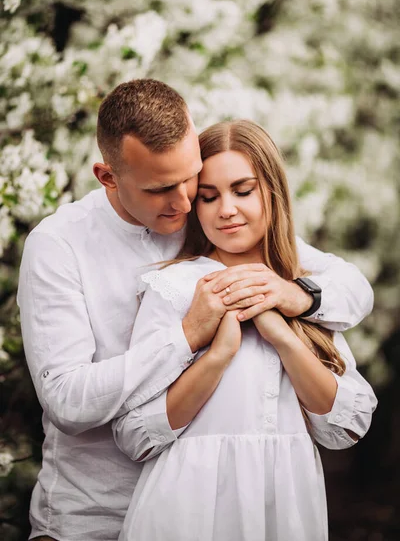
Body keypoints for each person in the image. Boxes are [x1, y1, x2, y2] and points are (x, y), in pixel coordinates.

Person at [17, 80, 374, 541]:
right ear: (108, 177)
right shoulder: (58, 245)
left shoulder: (212, 221)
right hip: (93, 516)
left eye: (191, 179)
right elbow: (67, 400)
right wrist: (187, 337)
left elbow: (349, 286)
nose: (185, 202)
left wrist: (298, 298)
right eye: (162, 188)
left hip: (218, 513)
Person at [114, 119, 377, 541]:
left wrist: (284, 337)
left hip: (284, 508)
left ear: (272, 190)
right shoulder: (175, 286)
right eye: (208, 196)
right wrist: (216, 357)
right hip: (185, 509)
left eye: (243, 190)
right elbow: (134, 436)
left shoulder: (301, 288)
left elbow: (345, 426)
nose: (226, 209)